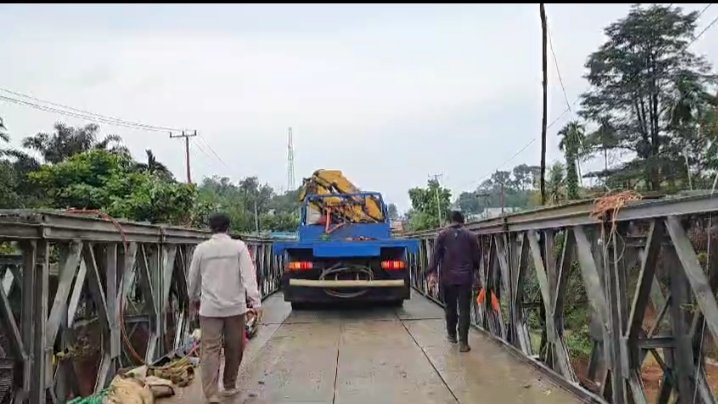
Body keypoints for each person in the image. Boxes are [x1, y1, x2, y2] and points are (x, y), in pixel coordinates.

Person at [188, 213, 262, 403]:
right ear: (228, 227)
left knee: (210, 350)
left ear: (210, 228)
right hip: (235, 309)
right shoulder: (238, 247)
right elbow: (249, 276)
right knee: (235, 347)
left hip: (210, 309)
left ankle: (211, 393)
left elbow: (193, 279)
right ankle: (229, 386)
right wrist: (255, 301)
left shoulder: (201, 249)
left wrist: (194, 298)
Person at [424, 210, 480, 353]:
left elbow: (435, 258)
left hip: (447, 278)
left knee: (450, 307)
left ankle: (451, 335)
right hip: (465, 278)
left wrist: (430, 272)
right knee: (464, 309)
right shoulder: (472, 236)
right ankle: (463, 343)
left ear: (450, 221)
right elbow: (476, 259)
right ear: (463, 221)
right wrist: (474, 273)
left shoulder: (442, 235)